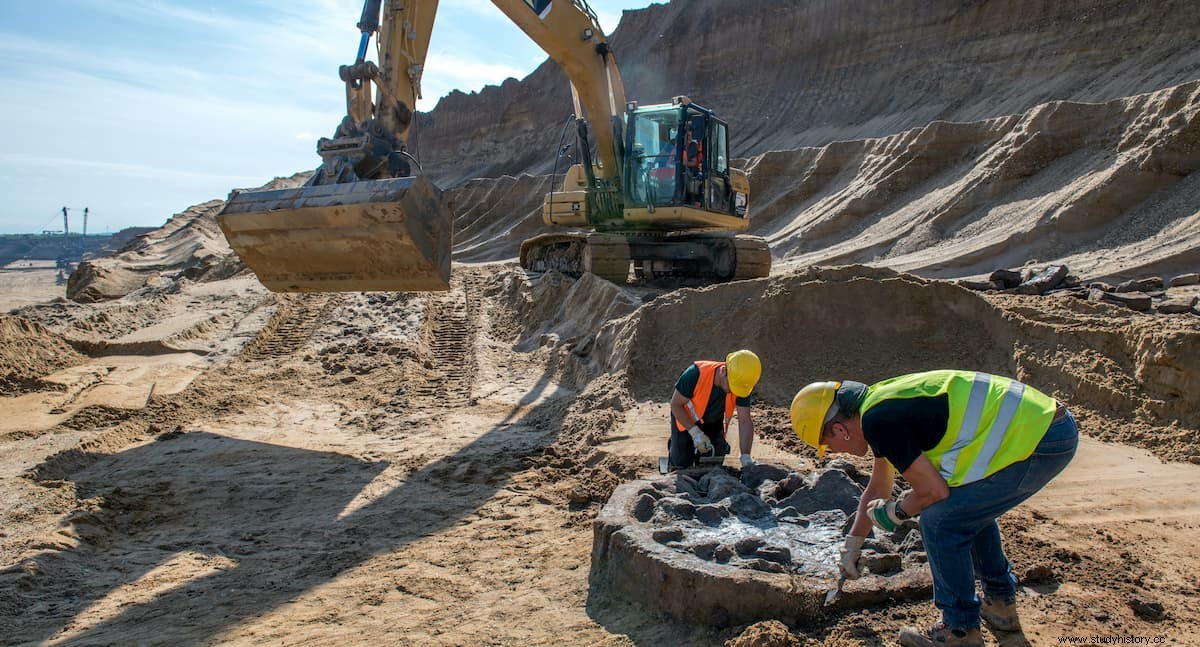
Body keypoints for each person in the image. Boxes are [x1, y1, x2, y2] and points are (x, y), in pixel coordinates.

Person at [790, 370, 1078, 647]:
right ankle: (1000, 604)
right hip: (1046, 425)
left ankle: (960, 631)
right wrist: (852, 544)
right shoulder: (877, 407)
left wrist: (896, 512)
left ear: (840, 429)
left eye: (828, 444)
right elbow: (879, 487)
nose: (833, 451)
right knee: (964, 511)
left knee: (941, 521)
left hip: (1040, 440)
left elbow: (932, 492)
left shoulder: (879, 422)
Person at [668, 350, 762, 470]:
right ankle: (675, 446)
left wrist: (746, 456)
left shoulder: (742, 384)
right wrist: (695, 433)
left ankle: (719, 446)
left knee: (712, 464)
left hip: (712, 421)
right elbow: (675, 405)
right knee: (680, 465)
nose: (734, 392)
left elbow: (744, 421)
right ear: (723, 371)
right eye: (732, 387)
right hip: (686, 418)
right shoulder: (695, 374)